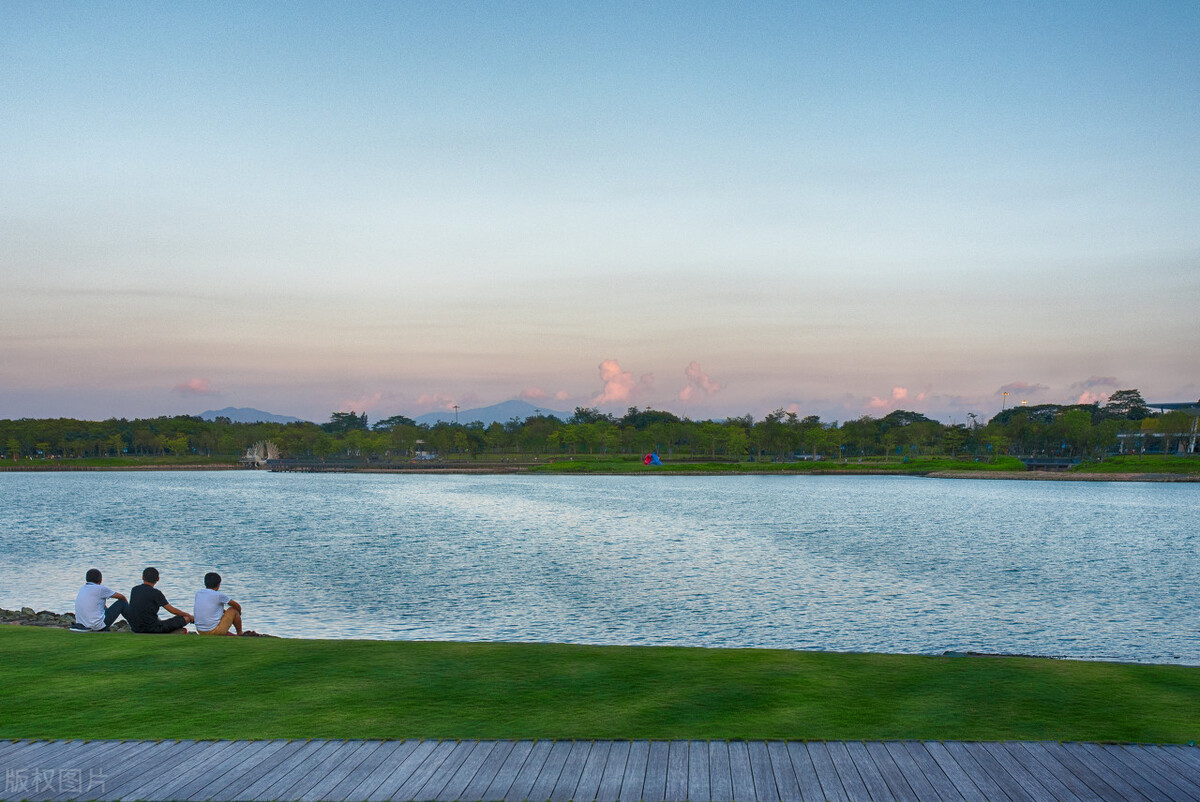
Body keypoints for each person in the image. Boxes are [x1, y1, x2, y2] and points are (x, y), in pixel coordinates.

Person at [127, 567, 193, 634]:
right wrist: (189, 615)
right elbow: (172, 610)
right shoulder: (156, 593)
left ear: (143, 577)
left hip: (135, 627)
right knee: (185, 618)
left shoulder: (134, 589)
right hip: (151, 629)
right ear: (158, 579)